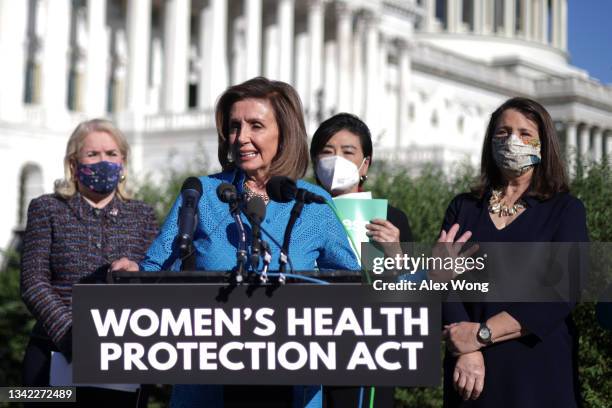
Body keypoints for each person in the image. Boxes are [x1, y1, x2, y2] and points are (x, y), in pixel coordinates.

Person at [115, 77, 360, 407]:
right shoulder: (201, 194)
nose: (241, 138)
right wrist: (133, 274)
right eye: (234, 126)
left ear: (284, 133)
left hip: (292, 388)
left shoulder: (313, 203)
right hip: (207, 387)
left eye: (256, 125)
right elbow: (156, 268)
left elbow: (352, 285)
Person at [439, 97, 588, 407]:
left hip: (537, 368)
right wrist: (467, 350)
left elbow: (562, 291)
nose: (512, 141)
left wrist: (480, 335)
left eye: (525, 134)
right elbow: (442, 281)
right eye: (503, 132)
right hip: (470, 374)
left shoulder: (565, 210)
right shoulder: (464, 207)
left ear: (543, 145)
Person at [20, 119, 159, 405]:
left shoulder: (143, 215)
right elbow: (34, 283)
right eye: (92, 155)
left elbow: (154, 278)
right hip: (53, 353)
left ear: (123, 163)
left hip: (122, 356)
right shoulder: (47, 208)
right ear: (73, 165)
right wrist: (74, 336)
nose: (103, 162)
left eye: (111, 154)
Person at [309, 113, 413, 406]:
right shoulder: (295, 213)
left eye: (348, 152)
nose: (336, 159)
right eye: (327, 152)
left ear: (365, 164)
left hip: (366, 354)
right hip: (308, 348)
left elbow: (410, 299)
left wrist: (396, 254)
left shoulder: (391, 219)